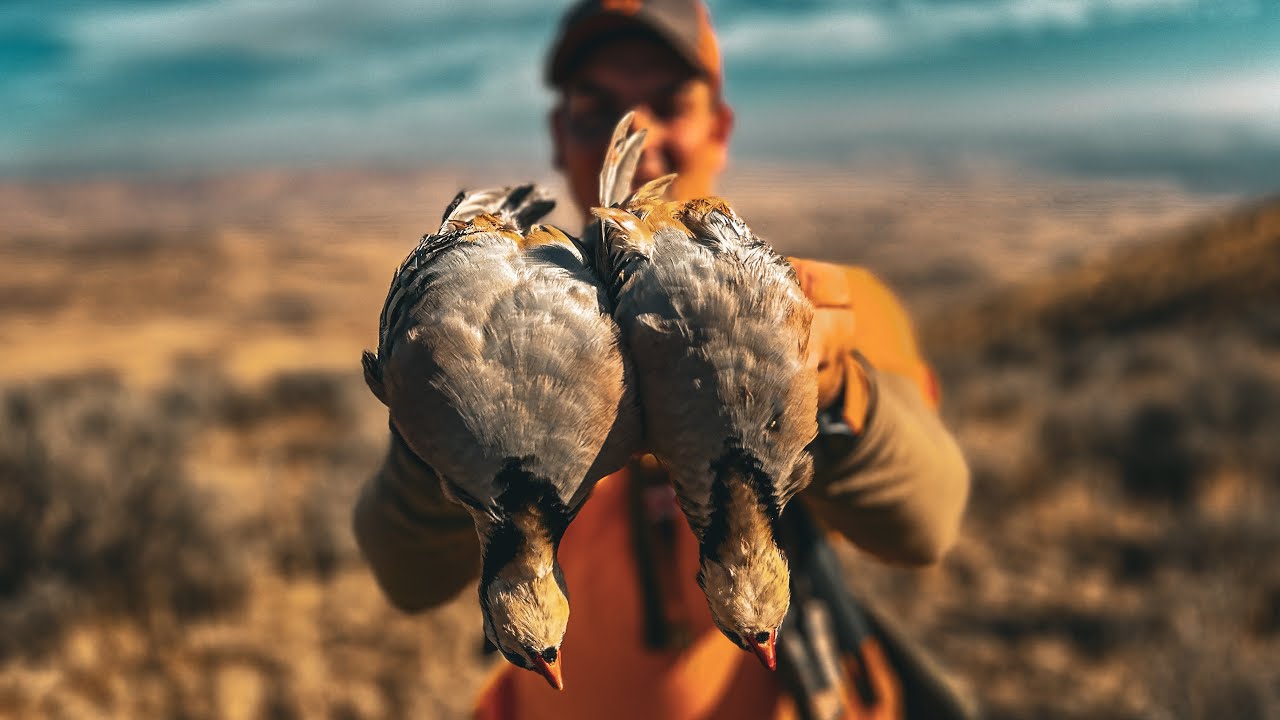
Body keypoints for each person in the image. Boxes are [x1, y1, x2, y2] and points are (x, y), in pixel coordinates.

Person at [352, 1, 971, 718]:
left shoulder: (828, 307)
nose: (636, 134)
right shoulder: (480, 344)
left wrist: (830, 385)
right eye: (597, 108)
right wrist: (444, 433)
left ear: (721, 126)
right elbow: (404, 574)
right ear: (560, 133)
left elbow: (930, 519)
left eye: (670, 104)